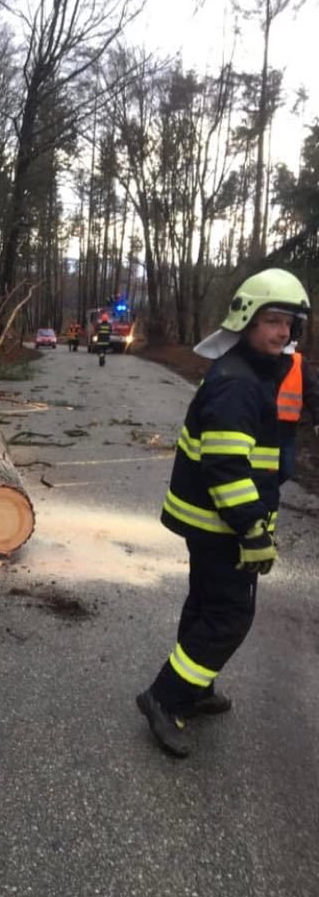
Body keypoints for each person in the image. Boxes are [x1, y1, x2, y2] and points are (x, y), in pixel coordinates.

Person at [136, 268, 311, 757]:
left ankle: (197, 686)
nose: (281, 332)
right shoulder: (238, 383)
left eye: (289, 323)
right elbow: (227, 469)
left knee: (207, 604)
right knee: (230, 616)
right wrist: (253, 530)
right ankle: (165, 696)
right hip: (224, 524)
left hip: (214, 522)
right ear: (247, 320)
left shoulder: (254, 372)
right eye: (272, 320)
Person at [277, 340, 319, 483]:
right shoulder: (259, 359)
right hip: (261, 426)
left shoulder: (299, 363)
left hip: (287, 427)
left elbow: (313, 393)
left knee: (285, 469)